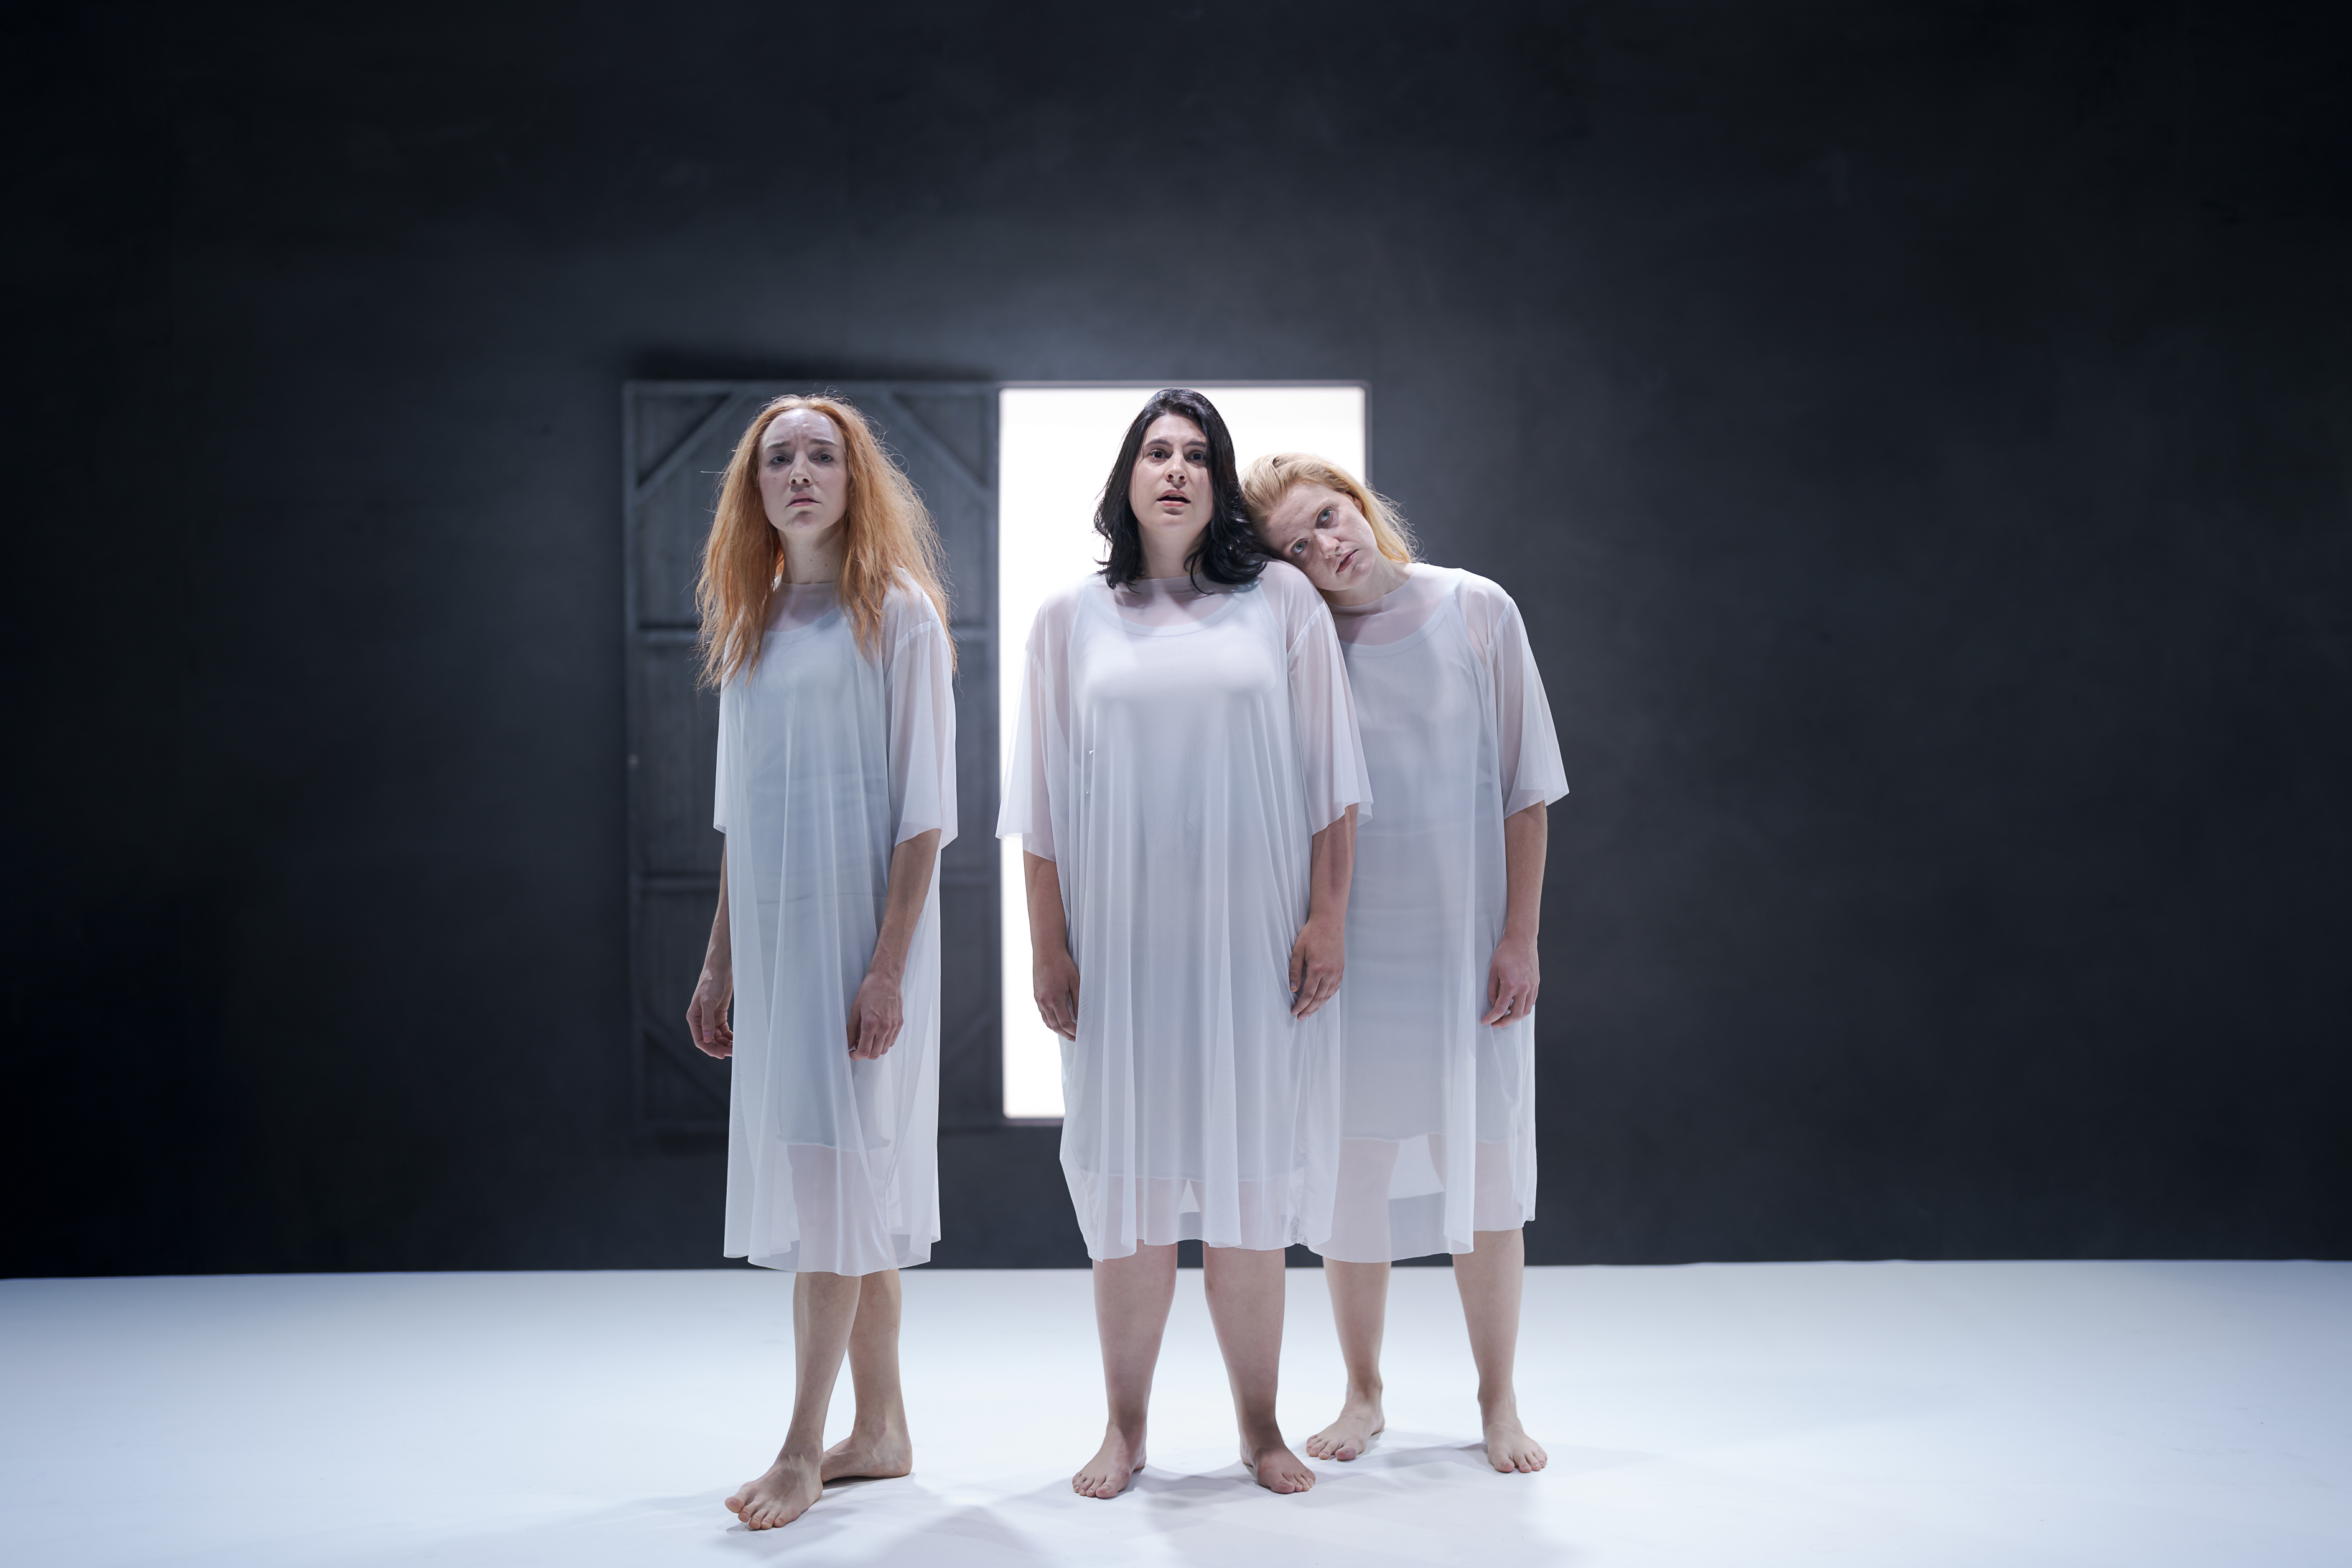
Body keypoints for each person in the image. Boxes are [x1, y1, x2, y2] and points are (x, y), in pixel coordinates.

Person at [1001, 390, 1368, 1499]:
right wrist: (1048, 949)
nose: (1175, 470)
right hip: (1122, 955)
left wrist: (1327, 919)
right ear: (1127, 476)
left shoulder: (1282, 603)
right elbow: (1039, 808)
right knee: (1130, 1201)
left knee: (1250, 1194)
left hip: (1251, 948)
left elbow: (1333, 784)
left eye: (1197, 456)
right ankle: (1125, 1429)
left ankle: (1262, 1428)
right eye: (1156, 452)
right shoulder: (1070, 618)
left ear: (1219, 483)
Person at [1243, 452, 1567, 1475]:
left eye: (1327, 517)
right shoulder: (1300, 649)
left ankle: (1499, 1401)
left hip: (1464, 945)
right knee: (1353, 1173)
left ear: (1358, 503)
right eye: (1296, 547)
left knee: (1486, 1175)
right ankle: (1363, 1391)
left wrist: (1519, 937)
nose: (1325, 547)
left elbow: (1526, 789)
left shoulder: (1476, 609)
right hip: (1350, 945)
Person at [684, 393, 957, 1529]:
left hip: (859, 945)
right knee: (845, 1188)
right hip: (777, 938)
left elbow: (924, 818)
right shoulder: (749, 622)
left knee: (837, 1182)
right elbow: (740, 822)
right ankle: (881, 1431)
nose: (800, 473)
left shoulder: (898, 615)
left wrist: (887, 967)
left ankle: (802, 1446)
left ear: (855, 480)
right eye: (778, 458)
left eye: (823, 456)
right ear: (754, 489)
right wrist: (718, 965)